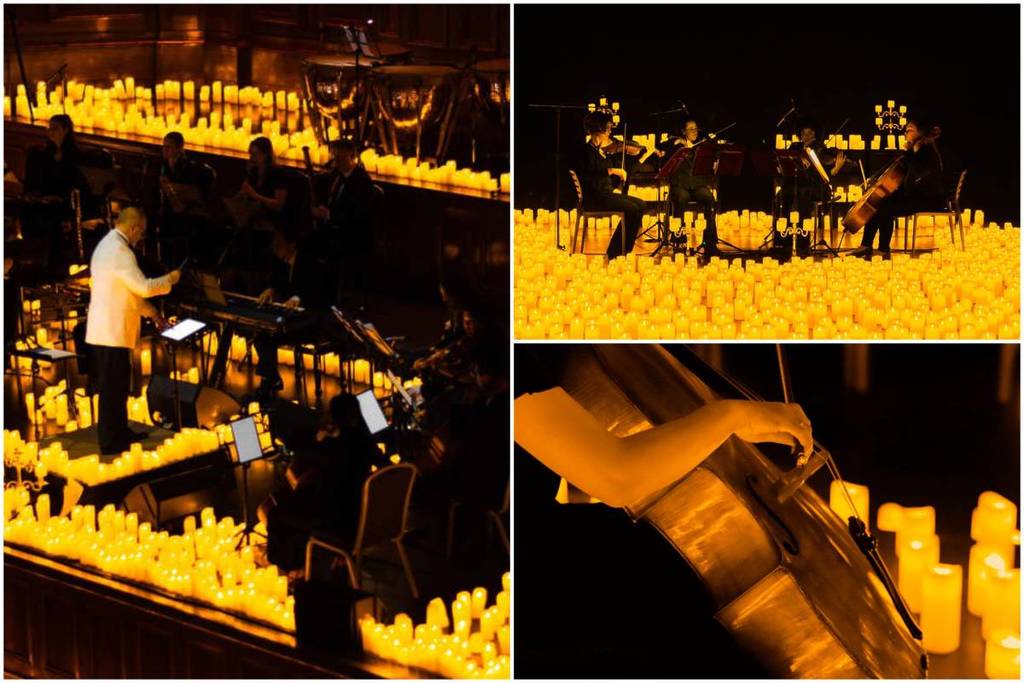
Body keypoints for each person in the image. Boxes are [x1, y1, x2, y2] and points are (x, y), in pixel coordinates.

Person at [85, 207, 181, 454]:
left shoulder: (107, 245)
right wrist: (169, 279)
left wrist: (153, 314)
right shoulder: (120, 252)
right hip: (111, 331)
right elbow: (144, 288)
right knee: (111, 388)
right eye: (142, 231)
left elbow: (127, 294)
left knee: (116, 386)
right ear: (134, 227)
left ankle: (119, 431)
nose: (142, 237)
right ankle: (110, 441)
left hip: (107, 329)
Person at [262, 392, 386, 571]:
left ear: (335, 417)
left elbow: (296, 444)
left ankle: (290, 565)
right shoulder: (364, 442)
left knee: (277, 513)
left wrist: (321, 437)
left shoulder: (331, 446)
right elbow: (384, 464)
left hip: (335, 520)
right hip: (360, 515)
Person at [848, 117, 947, 258]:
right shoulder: (915, 151)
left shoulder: (926, 150)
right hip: (917, 195)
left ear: (921, 133)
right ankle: (866, 245)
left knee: (885, 206)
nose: (906, 133)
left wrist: (908, 154)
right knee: (879, 202)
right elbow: (906, 178)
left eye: (910, 130)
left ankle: (882, 248)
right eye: (906, 130)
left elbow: (919, 174)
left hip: (930, 199)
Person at [252, 227, 329, 397]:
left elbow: (315, 293)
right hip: (291, 320)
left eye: (279, 245)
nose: (275, 248)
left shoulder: (310, 263)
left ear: (292, 245)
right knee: (261, 337)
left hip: (310, 322)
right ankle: (271, 378)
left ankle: (269, 381)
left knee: (268, 338)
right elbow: (277, 283)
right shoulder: (280, 263)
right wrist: (270, 289)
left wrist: (297, 298)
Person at [311, 139, 377, 307]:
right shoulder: (337, 177)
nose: (336, 161)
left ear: (351, 156)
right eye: (334, 156)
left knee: (324, 247)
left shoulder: (361, 181)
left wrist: (330, 215)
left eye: (340, 157)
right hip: (336, 228)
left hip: (354, 233)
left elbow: (359, 215)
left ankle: (327, 297)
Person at [577, 110, 648, 260]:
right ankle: (616, 252)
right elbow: (590, 175)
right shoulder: (586, 151)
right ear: (598, 130)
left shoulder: (602, 151)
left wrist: (619, 176)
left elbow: (606, 176)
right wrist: (611, 170)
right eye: (607, 128)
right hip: (595, 198)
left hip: (605, 194)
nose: (610, 131)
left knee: (641, 205)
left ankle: (621, 249)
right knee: (632, 208)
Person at [21, 114, 88, 273]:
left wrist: (60, 197)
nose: (51, 132)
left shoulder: (74, 155)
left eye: (55, 128)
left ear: (66, 130)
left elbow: (77, 183)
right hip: (45, 199)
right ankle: (34, 260)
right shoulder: (42, 154)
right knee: (28, 210)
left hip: (65, 202)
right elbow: (37, 179)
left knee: (51, 218)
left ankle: (54, 263)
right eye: (49, 128)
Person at [777, 120, 846, 254]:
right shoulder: (795, 147)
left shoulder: (820, 148)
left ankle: (803, 240)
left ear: (814, 133)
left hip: (816, 188)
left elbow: (825, 175)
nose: (805, 135)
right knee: (783, 194)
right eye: (803, 133)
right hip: (797, 184)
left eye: (809, 133)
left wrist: (836, 168)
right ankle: (783, 238)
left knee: (803, 194)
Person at [157, 131, 216, 267]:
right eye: (164, 147)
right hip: (169, 209)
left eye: (169, 147)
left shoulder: (188, 167)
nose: (164, 150)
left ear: (179, 149)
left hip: (185, 210)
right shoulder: (164, 165)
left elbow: (192, 193)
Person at [666, 119, 719, 255]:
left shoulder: (701, 146)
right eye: (690, 129)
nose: (694, 131)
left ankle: (710, 242)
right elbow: (667, 152)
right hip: (680, 185)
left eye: (695, 129)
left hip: (697, 185)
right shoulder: (676, 144)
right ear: (684, 132)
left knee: (709, 198)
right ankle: (679, 240)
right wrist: (683, 144)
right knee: (681, 198)